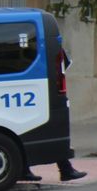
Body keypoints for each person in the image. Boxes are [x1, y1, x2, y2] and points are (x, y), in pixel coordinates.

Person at [22, 46, 87, 183]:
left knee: (31, 131)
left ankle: (25, 170)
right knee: (51, 131)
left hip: (34, 93)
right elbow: (63, 63)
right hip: (43, 93)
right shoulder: (43, 45)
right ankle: (65, 170)